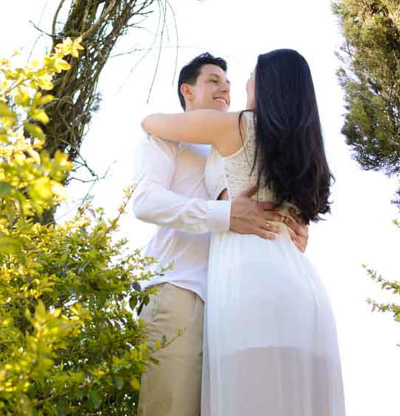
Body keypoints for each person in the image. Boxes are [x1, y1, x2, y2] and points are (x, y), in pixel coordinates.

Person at [142, 49, 345, 416]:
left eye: (238, 79)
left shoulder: (235, 128)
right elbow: (145, 200)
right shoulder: (291, 143)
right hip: (289, 288)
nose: (231, 87)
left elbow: (150, 120)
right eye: (213, 81)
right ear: (187, 91)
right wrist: (231, 214)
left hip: (244, 285)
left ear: (267, 85)